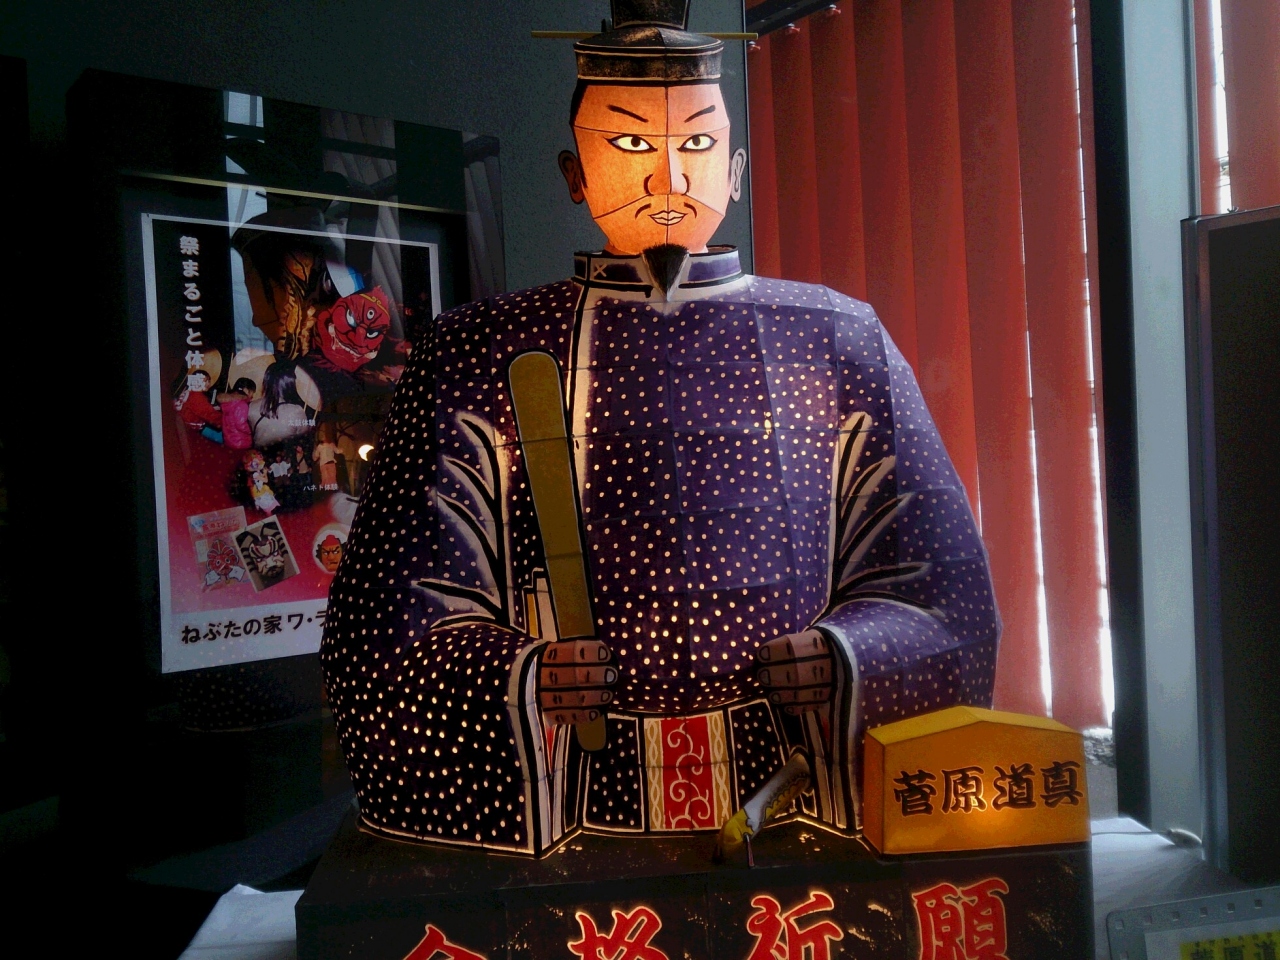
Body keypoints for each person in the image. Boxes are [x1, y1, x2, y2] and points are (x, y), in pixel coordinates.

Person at [322, 0, 999, 855]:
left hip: (784, 781)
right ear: (575, 174)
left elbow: (944, 595)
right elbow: (384, 623)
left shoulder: (835, 337)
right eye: (632, 143)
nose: (668, 180)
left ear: (736, 171)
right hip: (575, 789)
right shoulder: (478, 348)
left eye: (699, 143)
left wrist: (844, 658)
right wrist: (524, 679)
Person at [174, 370, 222, 443]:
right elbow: (211, 415)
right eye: (204, 381)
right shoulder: (196, 396)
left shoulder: (188, 392)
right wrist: (227, 421)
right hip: (198, 429)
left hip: (189, 428)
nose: (208, 383)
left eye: (208, 381)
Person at [220, 377, 257, 451]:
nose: (252, 396)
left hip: (228, 440)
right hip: (241, 442)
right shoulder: (242, 404)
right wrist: (253, 430)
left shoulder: (227, 402)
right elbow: (241, 424)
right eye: (252, 392)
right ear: (246, 390)